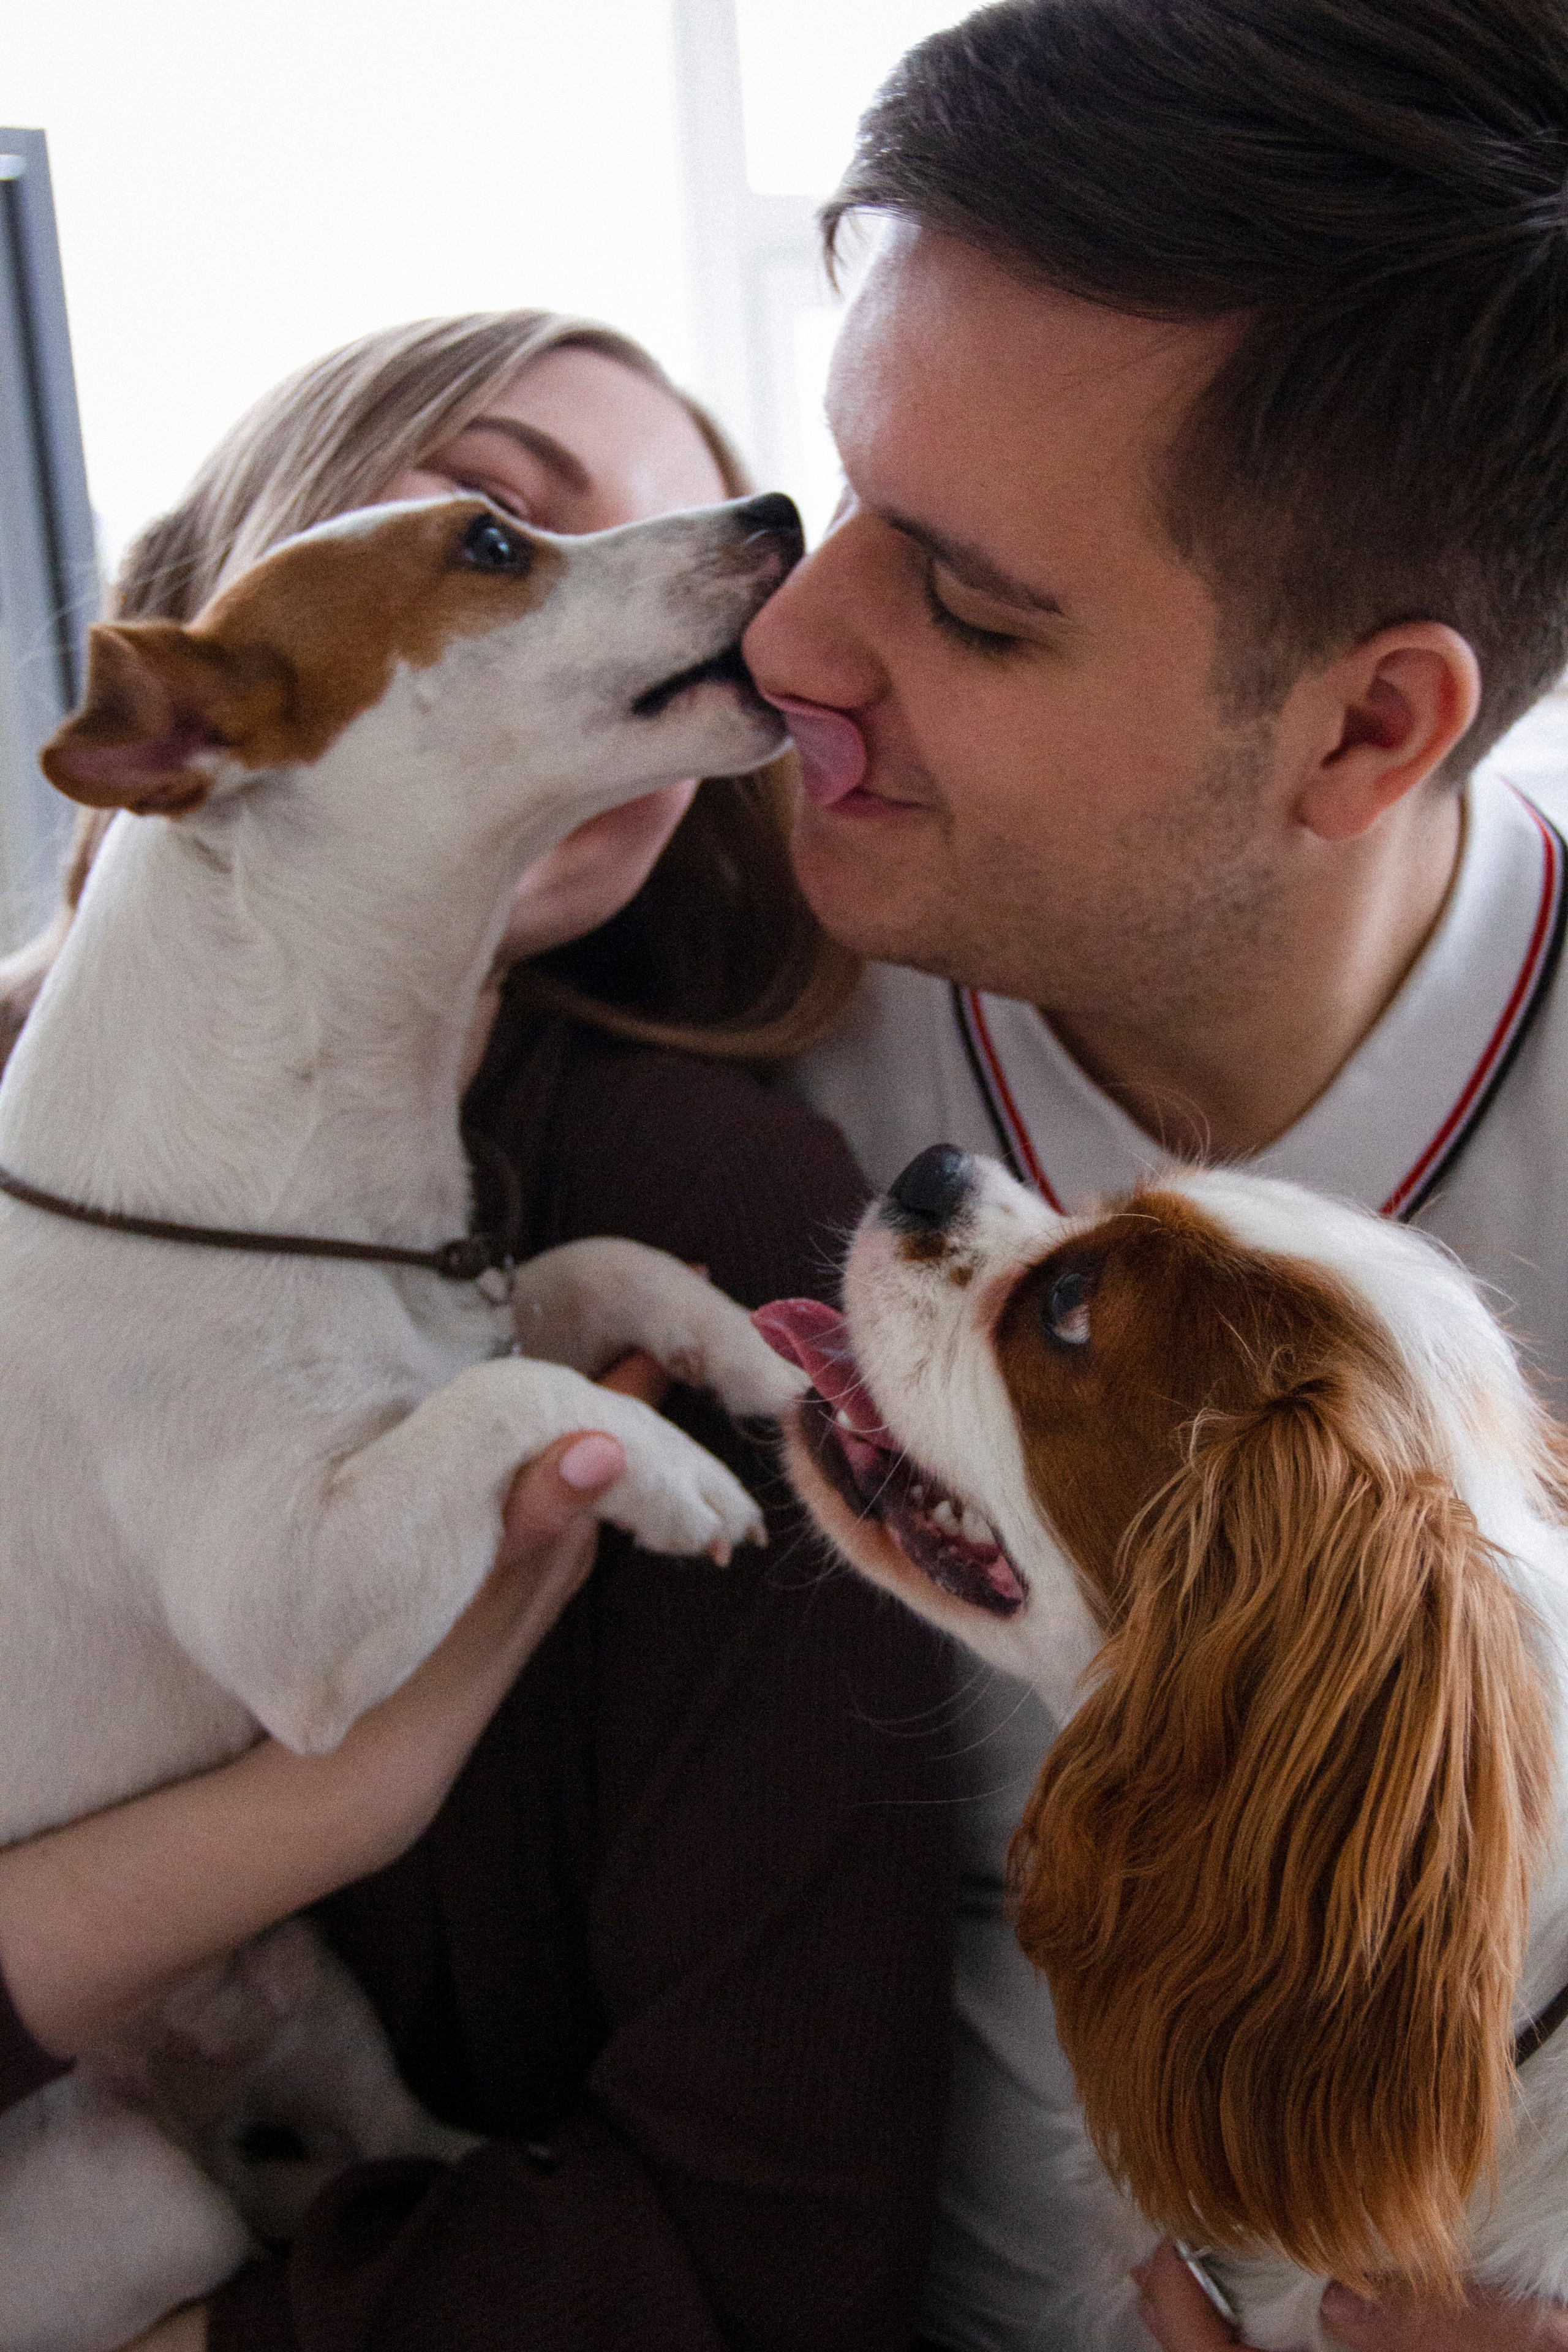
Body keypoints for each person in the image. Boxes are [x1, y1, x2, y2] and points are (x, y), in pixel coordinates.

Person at [735, 3, 1568, 2347]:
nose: (790, 641)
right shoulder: (684, 978)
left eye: (973, 604)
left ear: (1370, 723)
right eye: (839, 496)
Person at [0, 312, 955, 2351]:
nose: (740, 556)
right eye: (502, 532)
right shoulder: (78, 1208)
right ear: (205, 724)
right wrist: (321, 1815)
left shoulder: (701, 1195)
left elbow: (770, 2254)